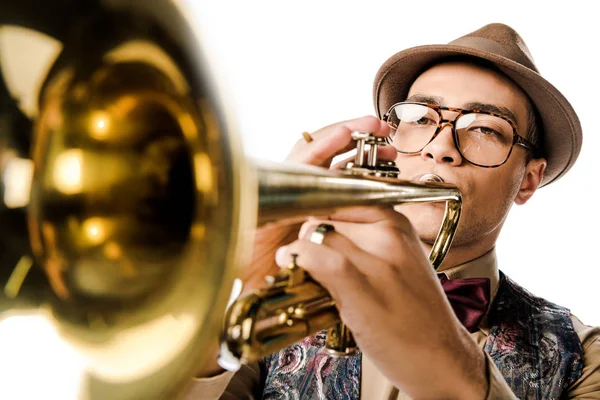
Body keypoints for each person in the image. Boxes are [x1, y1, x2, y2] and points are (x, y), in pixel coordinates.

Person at [185, 23, 600, 399]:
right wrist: (226, 299)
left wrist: (455, 370)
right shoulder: (277, 311)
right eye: (420, 118)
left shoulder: (584, 357)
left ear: (528, 179)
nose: (439, 147)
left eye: (484, 128)